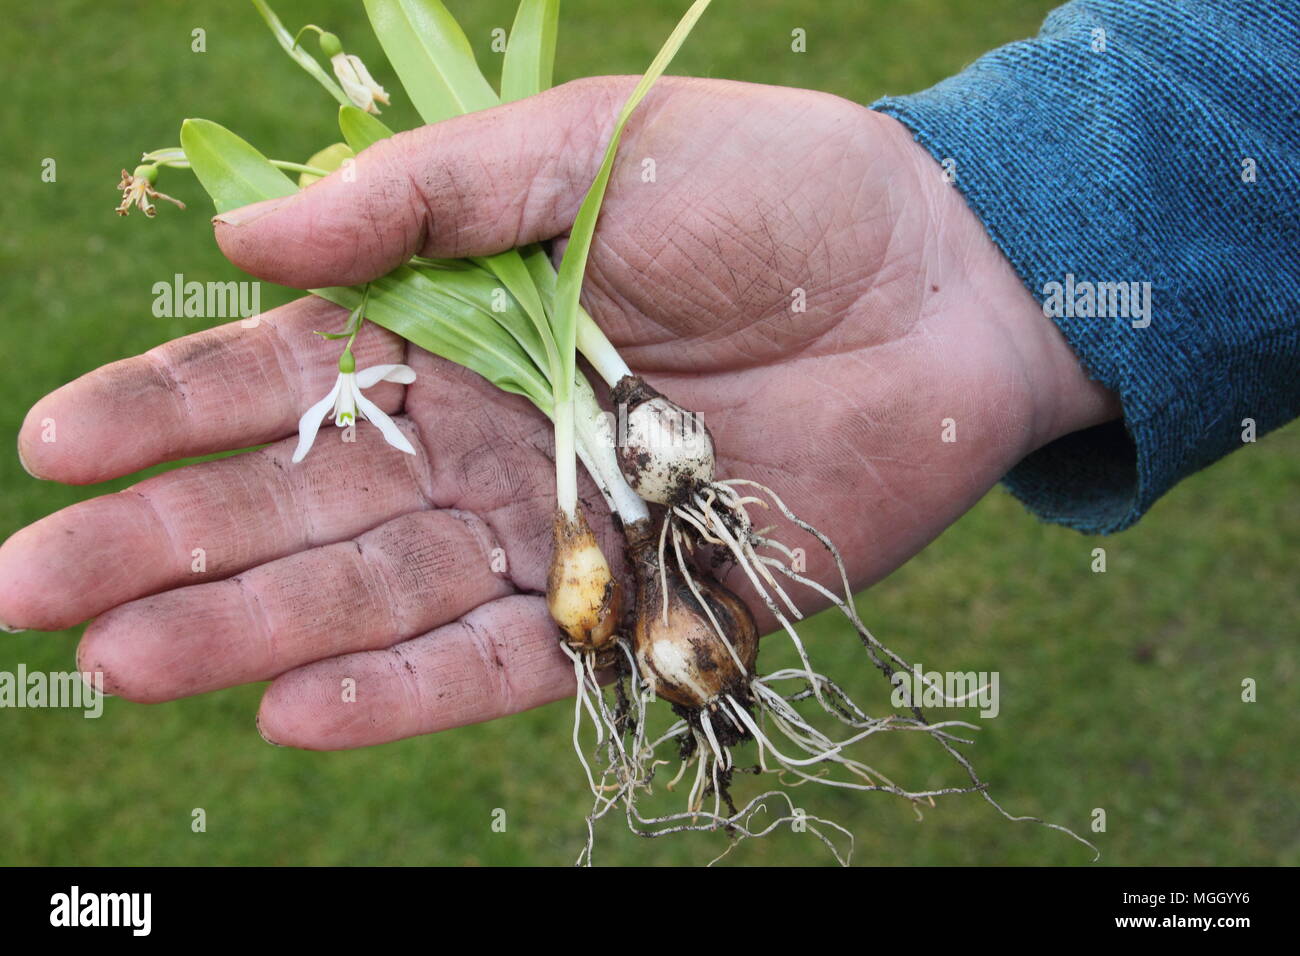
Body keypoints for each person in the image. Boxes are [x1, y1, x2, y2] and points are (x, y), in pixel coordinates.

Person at [1, 0, 1295, 750]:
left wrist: (958, 243)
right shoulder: (625, 464)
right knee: (639, 554)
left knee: (649, 537)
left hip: (631, 442)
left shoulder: (639, 446)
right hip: (627, 444)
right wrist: (985, 261)